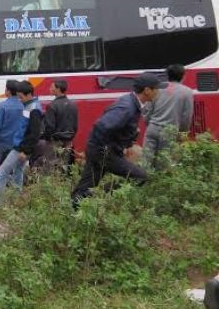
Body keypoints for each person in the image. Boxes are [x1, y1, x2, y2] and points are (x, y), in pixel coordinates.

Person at [71, 73, 161, 207]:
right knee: (140, 177)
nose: (158, 92)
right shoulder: (127, 107)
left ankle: (75, 209)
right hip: (105, 152)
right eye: (156, 89)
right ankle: (99, 195)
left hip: (100, 150)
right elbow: (102, 126)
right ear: (147, 90)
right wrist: (103, 151)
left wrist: (128, 140)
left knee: (84, 188)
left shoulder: (131, 102)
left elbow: (114, 127)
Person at [0, 81, 43, 204]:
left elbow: (34, 133)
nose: (19, 100)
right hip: (21, 146)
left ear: (29, 94)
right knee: (18, 171)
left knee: (1, 173)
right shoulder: (30, 105)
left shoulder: (34, 109)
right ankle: (17, 199)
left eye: (21, 97)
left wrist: (25, 150)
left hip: (20, 148)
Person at [142, 63, 194, 169]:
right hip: (169, 132)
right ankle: (159, 185)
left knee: (145, 163)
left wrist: (149, 123)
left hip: (152, 129)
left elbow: (147, 109)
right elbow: (186, 117)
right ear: (183, 76)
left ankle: (141, 184)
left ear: (167, 75)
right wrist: (182, 134)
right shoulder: (187, 92)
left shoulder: (157, 88)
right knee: (163, 166)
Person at [0, 80, 24, 191]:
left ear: (8, 91)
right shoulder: (24, 106)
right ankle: (17, 193)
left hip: (1, 142)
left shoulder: (2, 106)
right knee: (17, 169)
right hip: (18, 144)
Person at [40, 80, 79, 172]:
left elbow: (49, 126)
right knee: (64, 166)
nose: (49, 89)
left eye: (51, 87)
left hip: (55, 141)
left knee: (50, 167)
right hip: (68, 140)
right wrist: (70, 136)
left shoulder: (52, 106)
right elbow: (75, 124)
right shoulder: (72, 104)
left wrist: (47, 138)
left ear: (58, 89)